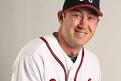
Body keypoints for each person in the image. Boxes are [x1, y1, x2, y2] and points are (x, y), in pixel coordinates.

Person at [11, 0, 103, 81]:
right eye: (77, 15)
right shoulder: (33, 55)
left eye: (90, 18)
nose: (83, 24)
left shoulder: (92, 62)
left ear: (97, 23)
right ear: (61, 17)